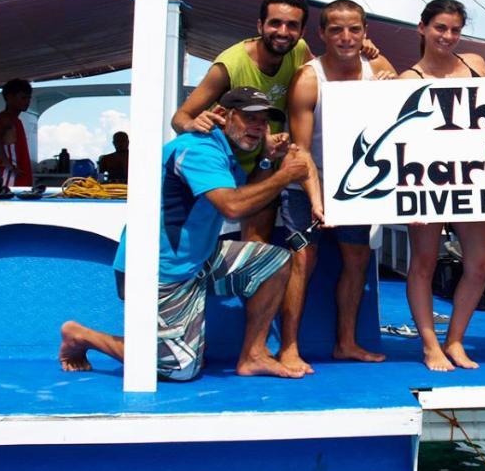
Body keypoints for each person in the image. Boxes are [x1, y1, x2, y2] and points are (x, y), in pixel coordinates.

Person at [58, 87, 317, 381]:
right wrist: (285, 176)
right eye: (249, 118)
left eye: (263, 121)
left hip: (198, 259)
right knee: (181, 368)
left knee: (276, 261)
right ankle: (82, 336)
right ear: (223, 116)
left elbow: (245, 199)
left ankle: (254, 355)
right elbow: (233, 207)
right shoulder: (198, 150)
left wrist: (268, 160)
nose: (258, 128)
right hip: (160, 270)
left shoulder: (223, 151)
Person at [171, 0, 380, 241]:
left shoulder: (300, 51)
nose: (283, 32)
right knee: (244, 248)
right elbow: (179, 117)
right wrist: (193, 122)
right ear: (260, 25)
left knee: (260, 254)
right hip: (231, 167)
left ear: (302, 32)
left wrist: (364, 50)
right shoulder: (229, 65)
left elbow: (327, 77)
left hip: (269, 163)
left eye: (292, 25)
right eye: (275, 23)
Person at [278, 0, 399, 373]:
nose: (346, 37)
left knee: (357, 261)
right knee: (302, 262)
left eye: (354, 29)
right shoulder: (308, 78)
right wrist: (318, 199)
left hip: (356, 188)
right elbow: (299, 152)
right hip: (305, 188)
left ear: (365, 32)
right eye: (336, 30)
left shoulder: (377, 67)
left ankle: (346, 342)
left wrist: (390, 89)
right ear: (322, 34)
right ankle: (288, 348)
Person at [399, 0, 485, 371]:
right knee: (424, 263)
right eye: (440, 28)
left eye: (455, 30)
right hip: (426, 183)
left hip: (475, 179)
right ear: (422, 28)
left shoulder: (475, 65)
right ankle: (430, 344)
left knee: (480, 265)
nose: (448, 36)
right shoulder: (407, 80)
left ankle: (456, 340)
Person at [0, 78, 34, 188]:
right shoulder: (6, 118)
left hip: (18, 177)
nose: (27, 101)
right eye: (23, 97)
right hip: (9, 177)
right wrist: (8, 165)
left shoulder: (15, 120)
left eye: (28, 98)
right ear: (9, 97)